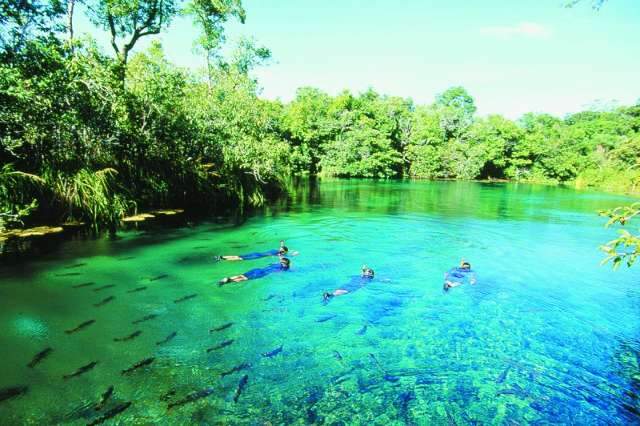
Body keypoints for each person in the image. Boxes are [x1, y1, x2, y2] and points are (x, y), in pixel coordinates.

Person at [218, 257, 291, 286]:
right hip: (262, 273)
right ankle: (229, 281)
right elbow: (281, 271)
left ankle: (227, 278)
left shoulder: (277, 263)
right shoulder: (284, 268)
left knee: (241, 275)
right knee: (244, 279)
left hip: (257, 269)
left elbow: (278, 260)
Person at [215, 240, 297, 261]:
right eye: (281, 249)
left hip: (258, 256)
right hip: (257, 254)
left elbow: (285, 256)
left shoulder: (281, 255)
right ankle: (221, 257)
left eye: (282, 250)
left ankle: (221, 258)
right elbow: (282, 246)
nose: (280, 249)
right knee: (239, 257)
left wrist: (294, 254)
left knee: (239, 258)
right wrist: (282, 243)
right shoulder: (281, 251)